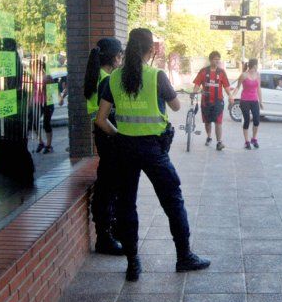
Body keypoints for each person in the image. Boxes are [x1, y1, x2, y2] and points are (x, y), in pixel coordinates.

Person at [95, 28, 209, 282]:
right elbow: (176, 105)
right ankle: (184, 257)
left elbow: (101, 120)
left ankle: (133, 263)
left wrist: (119, 135)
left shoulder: (113, 78)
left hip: (125, 149)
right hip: (153, 151)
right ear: (152, 50)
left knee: (126, 205)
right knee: (172, 200)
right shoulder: (156, 75)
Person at [83, 38, 124, 256]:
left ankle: (108, 233)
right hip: (108, 136)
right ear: (115, 57)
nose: (122, 59)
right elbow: (102, 118)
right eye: (120, 55)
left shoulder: (96, 75)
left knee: (108, 186)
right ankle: (105, 238)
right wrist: (118, 136)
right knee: (108, 188)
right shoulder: (106, 80)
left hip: (102, 137)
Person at [192, 51, 234, 151]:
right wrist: (193, 94)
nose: (217, 61)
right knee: (207, 122)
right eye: (215, 59)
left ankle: (219, 142)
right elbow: (197, 84)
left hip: (218, 102)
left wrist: (230, 96)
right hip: (205, 102)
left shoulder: (222, 72)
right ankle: (209, 136)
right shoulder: (203, 71)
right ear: (211, 60)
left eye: (218, 59)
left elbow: (226, 86)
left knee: (218, 122)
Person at [232, 58, 263, 149]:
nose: (258, 66)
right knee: (246, 120)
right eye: (258, 65)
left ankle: (254, 138)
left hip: (254, 100)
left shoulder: (258, 75)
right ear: (254, 66)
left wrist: (260, 101)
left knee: (257, 120)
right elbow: (237, 87)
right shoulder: (244, 75)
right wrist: (232, 96)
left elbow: (258, 88)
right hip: (245, 100)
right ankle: (247, 141)